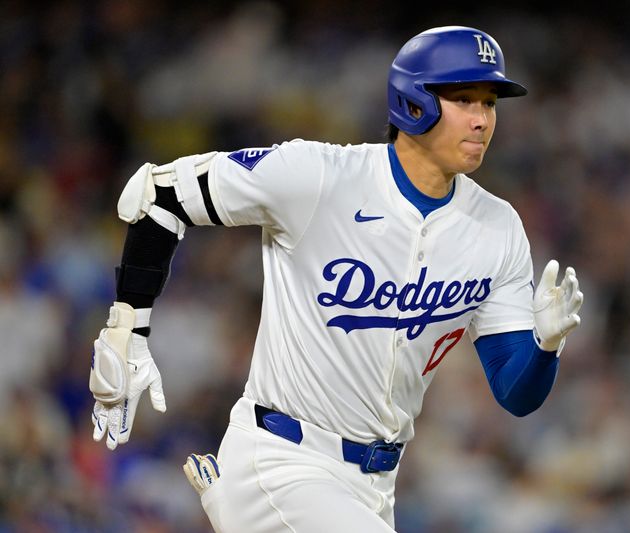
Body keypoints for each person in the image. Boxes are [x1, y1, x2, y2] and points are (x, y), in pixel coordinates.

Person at [89, 26, 584, 532]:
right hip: (283, 458)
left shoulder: (497, 228)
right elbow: (158, 196)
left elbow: (515, 395)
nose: (483, 120)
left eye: (490, 103)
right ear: (414, 103)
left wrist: (545, 346)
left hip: (375, 486)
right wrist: (127, 326)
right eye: (464, 99)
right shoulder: (319, 176)